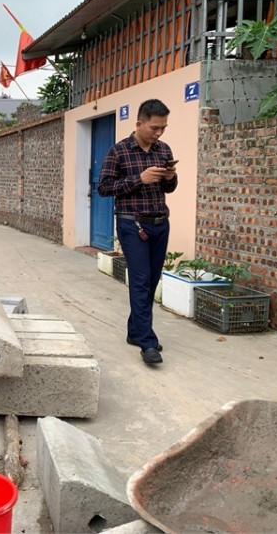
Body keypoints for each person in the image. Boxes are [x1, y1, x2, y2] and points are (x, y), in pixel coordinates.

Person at [98, 99, 178, 366]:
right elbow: (104, 188)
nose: (159, 133)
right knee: (141, 281)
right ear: (139, 124)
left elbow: (169, 189)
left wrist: (170, 177)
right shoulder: (118, 152)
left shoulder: (163, 150)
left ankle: (135, 331)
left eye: (163, 128)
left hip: (159, 223)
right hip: (132, 225)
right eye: (155, 128)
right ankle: (147, 342)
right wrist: (139, 179)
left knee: (152, 280)